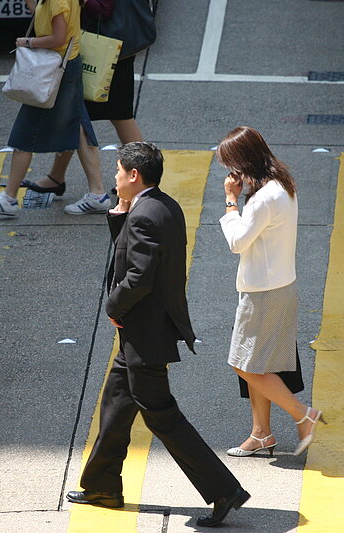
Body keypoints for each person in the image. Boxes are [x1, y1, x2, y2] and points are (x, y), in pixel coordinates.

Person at [66, 142, 250, 528]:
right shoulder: (160, 205)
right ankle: (102, 486)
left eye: (118, 171)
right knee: (117, 404)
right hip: (143, 332)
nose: (114, 177)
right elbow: (132, 251)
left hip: (144, 332)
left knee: (162, 416)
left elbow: (138, 276)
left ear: (134, 175)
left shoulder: (144, 215)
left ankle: (223, 490)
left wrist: (114, 308)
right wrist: (119, 213)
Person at [217, 126, 325, 457]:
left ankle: (304, 416)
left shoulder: (264, 198)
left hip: (263, 293)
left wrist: (231, 202)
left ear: (241, 163)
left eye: (229, 165)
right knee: (260, 365)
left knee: (244, 364)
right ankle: (261, 433)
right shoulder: (283, 186)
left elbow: (237, 242)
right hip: (279, 286)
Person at [0, 0, 111, 216]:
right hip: (67, 65)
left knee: (26, 131)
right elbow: (44, 17)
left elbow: (59, 37)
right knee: (80, 127)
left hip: (55, 70)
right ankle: (98, 194)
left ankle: (8, 198)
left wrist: (27, 42)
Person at [24, 0, 144, 202]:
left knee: (109, 116)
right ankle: (57, 176)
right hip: (106, 49)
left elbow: (102, 9)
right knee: (83, 116)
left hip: (106, 52)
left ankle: (138, 180)